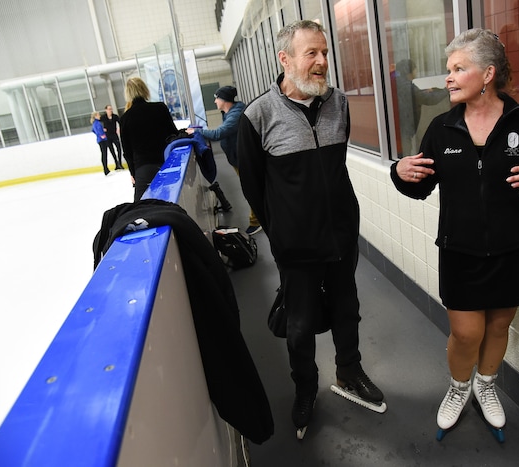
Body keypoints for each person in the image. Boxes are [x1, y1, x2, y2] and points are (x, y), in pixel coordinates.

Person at [390, 28, 519, 437]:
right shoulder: (441, 129)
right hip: (461, 252)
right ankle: (458, 388)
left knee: (499, 326)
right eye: (448, 69)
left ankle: (486, 386)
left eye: (458, 69)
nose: (448, 78)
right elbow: (418, 186)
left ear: (488, 74)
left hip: (513, 248)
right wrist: (398, 172)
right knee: (466, 332)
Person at [237, 20, 386, 439]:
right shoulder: (258, 116)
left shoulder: (338, 102)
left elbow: (337, 169)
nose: (322, 62)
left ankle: (350, 372)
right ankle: (305, 388)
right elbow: (253, 186)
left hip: (340, 236)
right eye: (312, 54)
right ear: (285, 60)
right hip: (296, 246)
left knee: (346, 309)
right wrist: (283, 231)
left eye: (325, 53)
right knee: (299, 326)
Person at [186, 85, 261, 234]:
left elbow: (219, 133)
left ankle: (257, 220)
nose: (214, 101)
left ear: (224, 100)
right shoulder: (229, 112)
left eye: (216, 98)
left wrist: (197, 132)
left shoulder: (235, 115)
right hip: (237, 158)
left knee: (251, 188)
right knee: (252, 186)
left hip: (244, 158)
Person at [120, 76, 179, 201]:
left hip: (143, 168)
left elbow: (127, 152)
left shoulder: (126, 118)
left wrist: (133, 173)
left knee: (142, 208)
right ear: (145, 90)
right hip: (166, 162)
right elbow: (173, 134)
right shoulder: (160, 108)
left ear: (128, 94)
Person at [394, 59, 448, 156]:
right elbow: (430, 100)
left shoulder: (398, 83)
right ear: (409, 71)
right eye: (415, 69)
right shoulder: (408, 87)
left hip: (398, 127)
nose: (416, 71)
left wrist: (422, 93)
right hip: (405, 129)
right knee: (406, 154)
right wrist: (447, 90)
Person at [101, 104, 125, 170]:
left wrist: (119, 128)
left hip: (114, 135)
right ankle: (116, 164)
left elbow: (121, 122)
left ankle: (120, 163)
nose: (110, 110)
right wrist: (102, 129)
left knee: (119, 148)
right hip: (107, 136)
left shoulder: (115, 116)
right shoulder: (103, 117)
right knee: (112, 150)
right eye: (109, 109)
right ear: (106, 110)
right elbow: (97, 124)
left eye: (111, 109)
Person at [90, 111, 110, 175]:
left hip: (100, 140)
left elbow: (93, 130)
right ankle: (105, 169)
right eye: (98, 115)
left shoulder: (94, 123)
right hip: (102, 140)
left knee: (103, 154)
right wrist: (103, 136)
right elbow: (99, 132)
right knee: (104, 154)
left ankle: (106, 168)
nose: (100, 116)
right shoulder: (98, 123)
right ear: (95, 116)